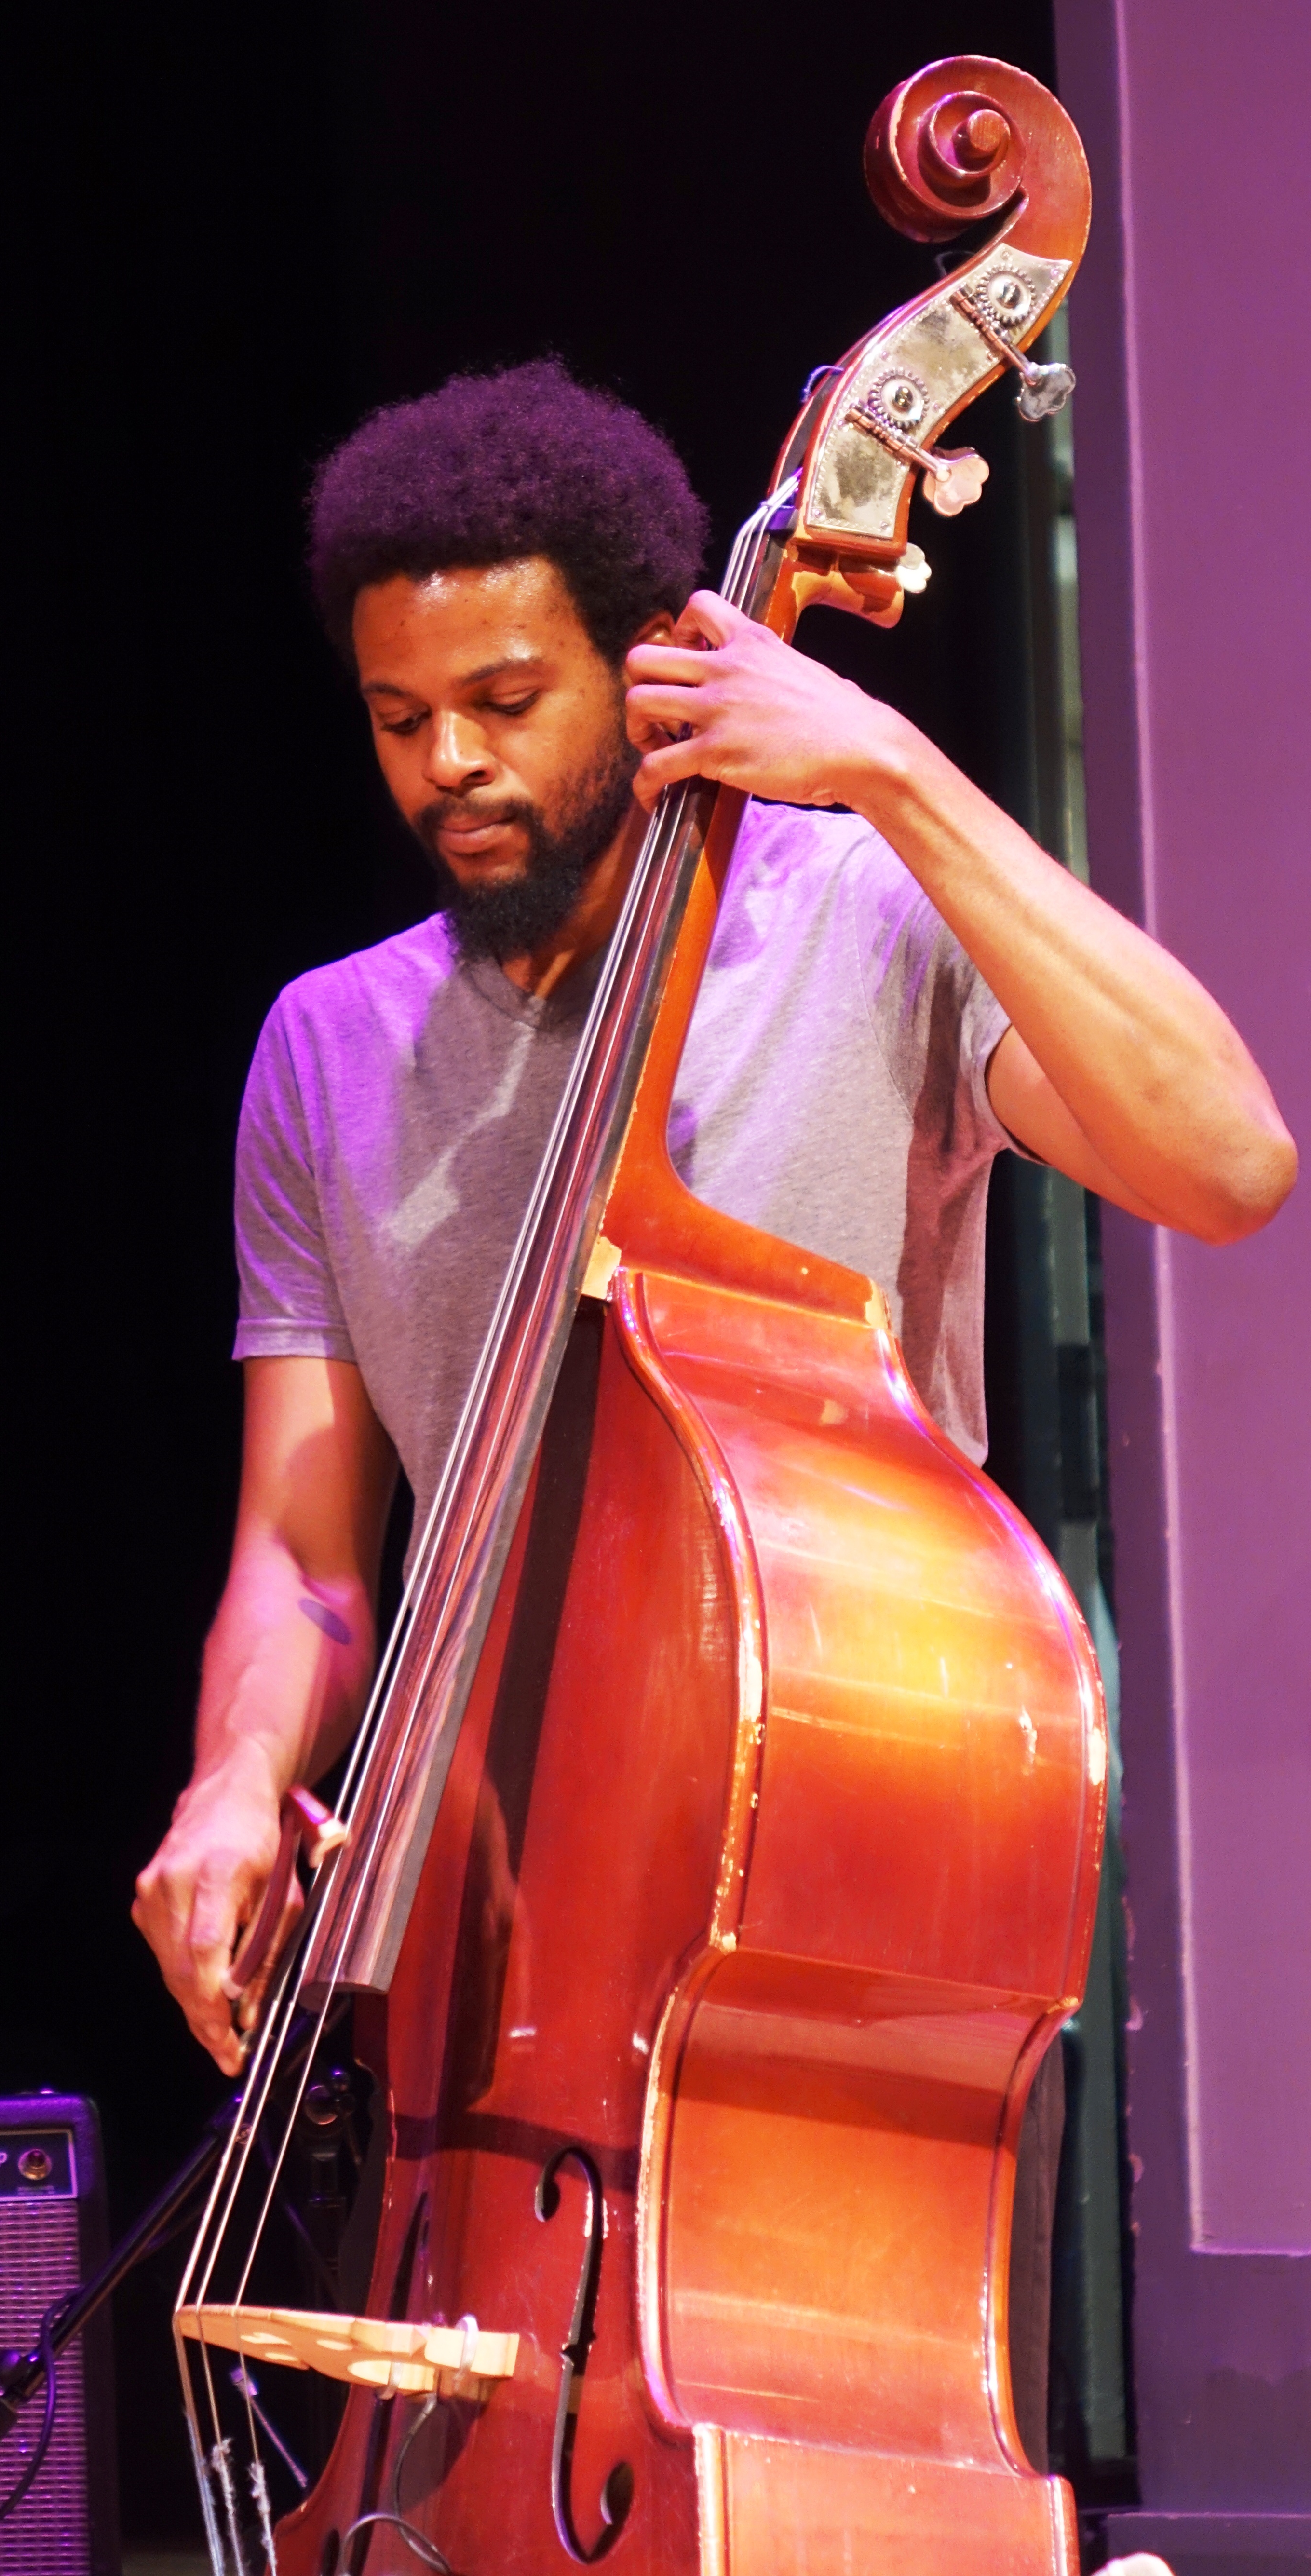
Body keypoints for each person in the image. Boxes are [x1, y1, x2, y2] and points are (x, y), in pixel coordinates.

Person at [131, 359, 1293, 2479]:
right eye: (402, 723)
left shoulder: (865, 934)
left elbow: (1227, 1162)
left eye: (504, 701)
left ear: (654, 663)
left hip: (816, 1906)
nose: (450, 768)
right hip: (467, 1938)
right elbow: (305, 1556)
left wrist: (899, 775)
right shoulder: (325, 1048)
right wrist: (229, 1785)